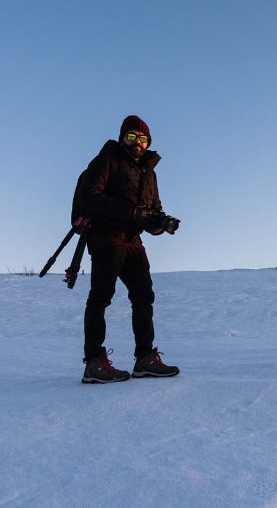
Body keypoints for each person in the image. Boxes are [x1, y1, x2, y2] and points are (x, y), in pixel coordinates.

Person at [74, 115, 181, 384]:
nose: (137, 144)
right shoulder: (106, 161)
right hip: (106, 239)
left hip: (133, 242)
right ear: (122, 138)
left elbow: (152, 211)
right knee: (100, 298)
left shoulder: (149, 172)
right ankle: (94, 363)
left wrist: (162, 223)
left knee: (144, 295)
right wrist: (130, 211)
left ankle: (145, 358)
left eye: (142, 139)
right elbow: (89, 197)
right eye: (132, 137)